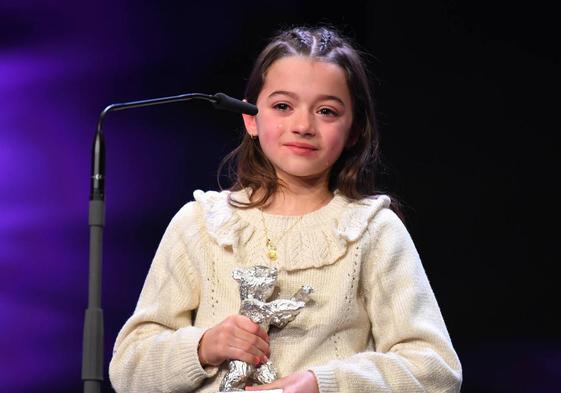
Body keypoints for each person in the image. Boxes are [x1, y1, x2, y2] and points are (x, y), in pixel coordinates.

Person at [109, 26, 462, 393]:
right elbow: (129, 369)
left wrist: (322, 384)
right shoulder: (200, 224)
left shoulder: (373, 230)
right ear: (250, 117)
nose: (303, 125)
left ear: (354, 129)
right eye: (282, 106)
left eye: (326, 111)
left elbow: (434, 370)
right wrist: (203, 346)